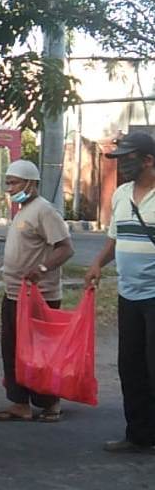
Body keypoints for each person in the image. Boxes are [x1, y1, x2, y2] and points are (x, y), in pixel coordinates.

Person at [0, 160, 74, 423]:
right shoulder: (23, 210)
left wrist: (42, 268)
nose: (9, 188)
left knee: (41, 353)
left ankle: (51, 404)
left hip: (40, 297)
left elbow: (65, 248)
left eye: (14, 182)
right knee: (14, 351)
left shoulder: (44, 211)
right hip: (14, 294)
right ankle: (19, 403)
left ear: (31, 184)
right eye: (8, 182)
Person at [86, 131, 155, 452]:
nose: (122, 166)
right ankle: (137, 434)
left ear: (148, 160)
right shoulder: (121, 194)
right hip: (128, 295)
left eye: (127, 160)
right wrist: (98, 263)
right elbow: (115, 240)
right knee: (131, 366)